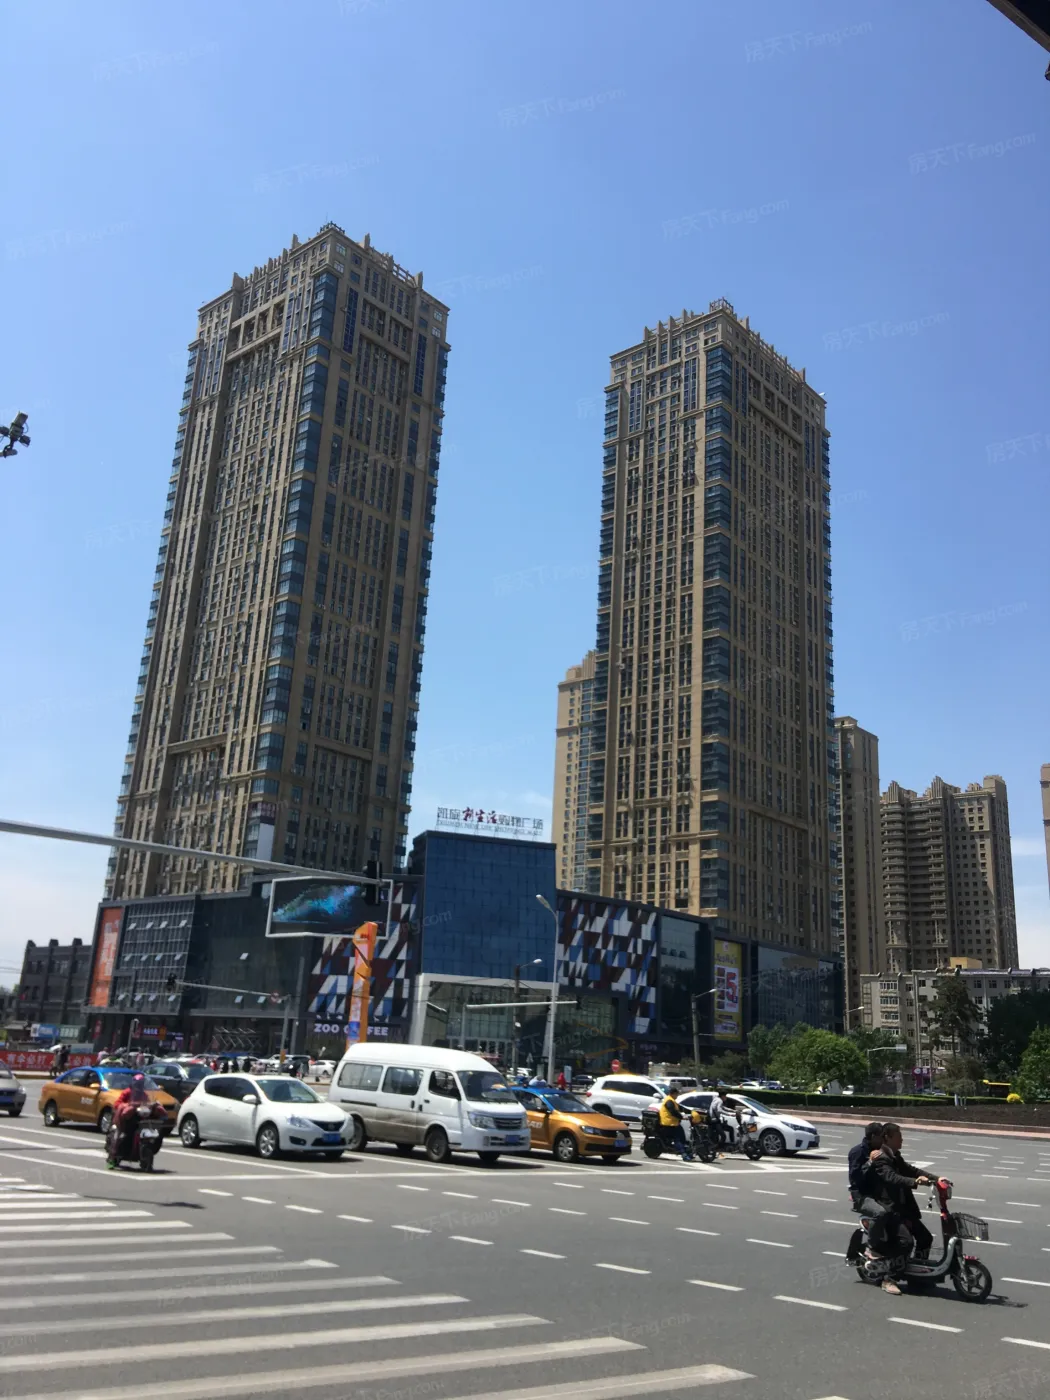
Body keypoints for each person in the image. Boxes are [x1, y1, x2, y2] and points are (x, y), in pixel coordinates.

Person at [868, 1121, 934, 1293]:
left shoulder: (895, 1156)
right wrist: (915, 1182)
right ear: (887, 1138)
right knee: (906, 1242)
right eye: (899, 1137)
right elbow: (892, 1177)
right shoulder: (881, 1158)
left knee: (925, 1238)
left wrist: (936, 1178)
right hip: (891, 1209)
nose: (902, 1140)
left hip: (904, 1208)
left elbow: (911, 1170)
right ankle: (889, 1279)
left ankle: (916, 1276)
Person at [107, 1073, 150, 1169]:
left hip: (138, 1119)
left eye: (141, 1084)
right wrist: (127, 1105)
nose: (139, 1086)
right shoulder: (127, 1092)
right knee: (118, 1136)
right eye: (138, 1084)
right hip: (124, 1120)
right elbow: (117, 1104)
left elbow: (147, 1103)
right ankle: (111, 1159)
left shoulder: (144, 1094)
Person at [849, 1121, 885, 1211]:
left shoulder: (881, 1150)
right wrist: (870, 1162)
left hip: (878, 1192)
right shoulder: (858, 1152)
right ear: (873, 1137)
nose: (883, 1140)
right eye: (881, 1137)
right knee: (881, 1212)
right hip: (862, 1194)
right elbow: (855, 1177)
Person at [657, 1086, 694, 1162]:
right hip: (668, 1124)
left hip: (674, 1123)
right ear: (673, 1094)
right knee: (677, 1139)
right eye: (677, 1094)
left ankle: (686, 1151)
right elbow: (673, 1112)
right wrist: (682, 1117)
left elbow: (680, 1108)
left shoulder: (672, 1101)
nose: (677, 1096)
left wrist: (691, 1111)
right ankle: (684, 1155)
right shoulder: (669, 1101)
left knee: (682, 1137)